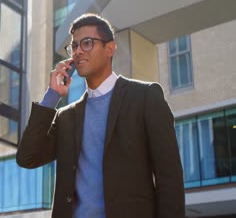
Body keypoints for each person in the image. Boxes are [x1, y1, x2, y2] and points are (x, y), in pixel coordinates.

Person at [16, 13, 185, 218]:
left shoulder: (145, 97)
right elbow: (27, 157)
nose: (78, 51)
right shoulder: (66, 117)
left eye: (87, 43)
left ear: (110, 48)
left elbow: (170, 177)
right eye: (74, 46)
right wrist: (51, 97)